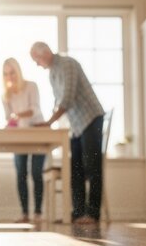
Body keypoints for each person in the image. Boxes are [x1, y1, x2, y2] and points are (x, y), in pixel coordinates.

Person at [30, 42, 105, 225]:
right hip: (76, 126)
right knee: (75, 169)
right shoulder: (52, 73)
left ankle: (93, 214)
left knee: (93, 167)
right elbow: (57, 100)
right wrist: (48, 121)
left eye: (37, 59)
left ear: (46, 52)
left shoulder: (68, 64)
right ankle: (78, 213)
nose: (37, 64)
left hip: (91, 118)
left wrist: (49, 122)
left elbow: (68, 97)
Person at [2, 58, 46, 226]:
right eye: (6, 73)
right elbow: (8, 118)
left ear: (18, 71)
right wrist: (11, 121)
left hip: (37, 133)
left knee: (36, 172)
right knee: (21, 173)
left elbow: (35, 109)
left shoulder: (31, 86)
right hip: (18, 137)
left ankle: (38, 213)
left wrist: (18, 115)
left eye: (12, 72)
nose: (9, 76)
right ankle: (25, 213)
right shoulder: (5, 96)